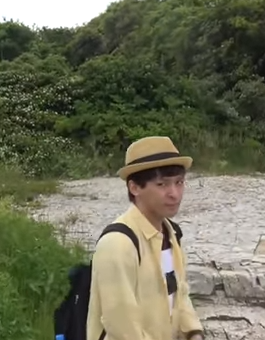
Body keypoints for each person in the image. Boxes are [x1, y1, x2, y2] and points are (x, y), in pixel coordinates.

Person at [86, 136, 204, 340]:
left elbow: (180, 296)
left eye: (179, 182)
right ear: (134, 188)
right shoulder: (118, 243)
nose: (174, 194)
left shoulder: (171, 234)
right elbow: (122, 327)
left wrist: (194, 333)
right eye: (162, 184)